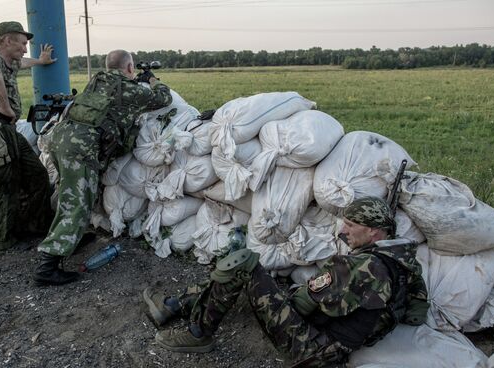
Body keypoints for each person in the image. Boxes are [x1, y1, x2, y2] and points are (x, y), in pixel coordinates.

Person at [143, 197, 429, 366]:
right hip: (335, 348)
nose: (343, 231)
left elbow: (301, 305)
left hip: (310, 350)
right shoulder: (406, 265)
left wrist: (272, 292)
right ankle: (177, 304)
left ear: (374, 232)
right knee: (261, 282)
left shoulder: (362, 267)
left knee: (244, 264)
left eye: (351, 226)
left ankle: (197, 333)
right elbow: (416, 314)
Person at [33, 49, 173, 286]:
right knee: (77, 204)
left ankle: (70, 239)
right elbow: (164, 98)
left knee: (68, 195)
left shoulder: (97, 81)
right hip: (81, 149)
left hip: (61, 139)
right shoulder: (129, 90)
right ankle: (47, 266)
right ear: (129, 68)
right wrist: (150, 79)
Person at [0, 21, 54, 251]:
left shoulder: (8, 61)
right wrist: (5, 107)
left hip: (8, 131)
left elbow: (22, 63)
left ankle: (35, 224)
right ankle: (2, 238)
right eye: (21, 43)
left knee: (37, 173)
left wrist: (40, 61)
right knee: (3, 183)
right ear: (7, 40)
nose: (24, 47)